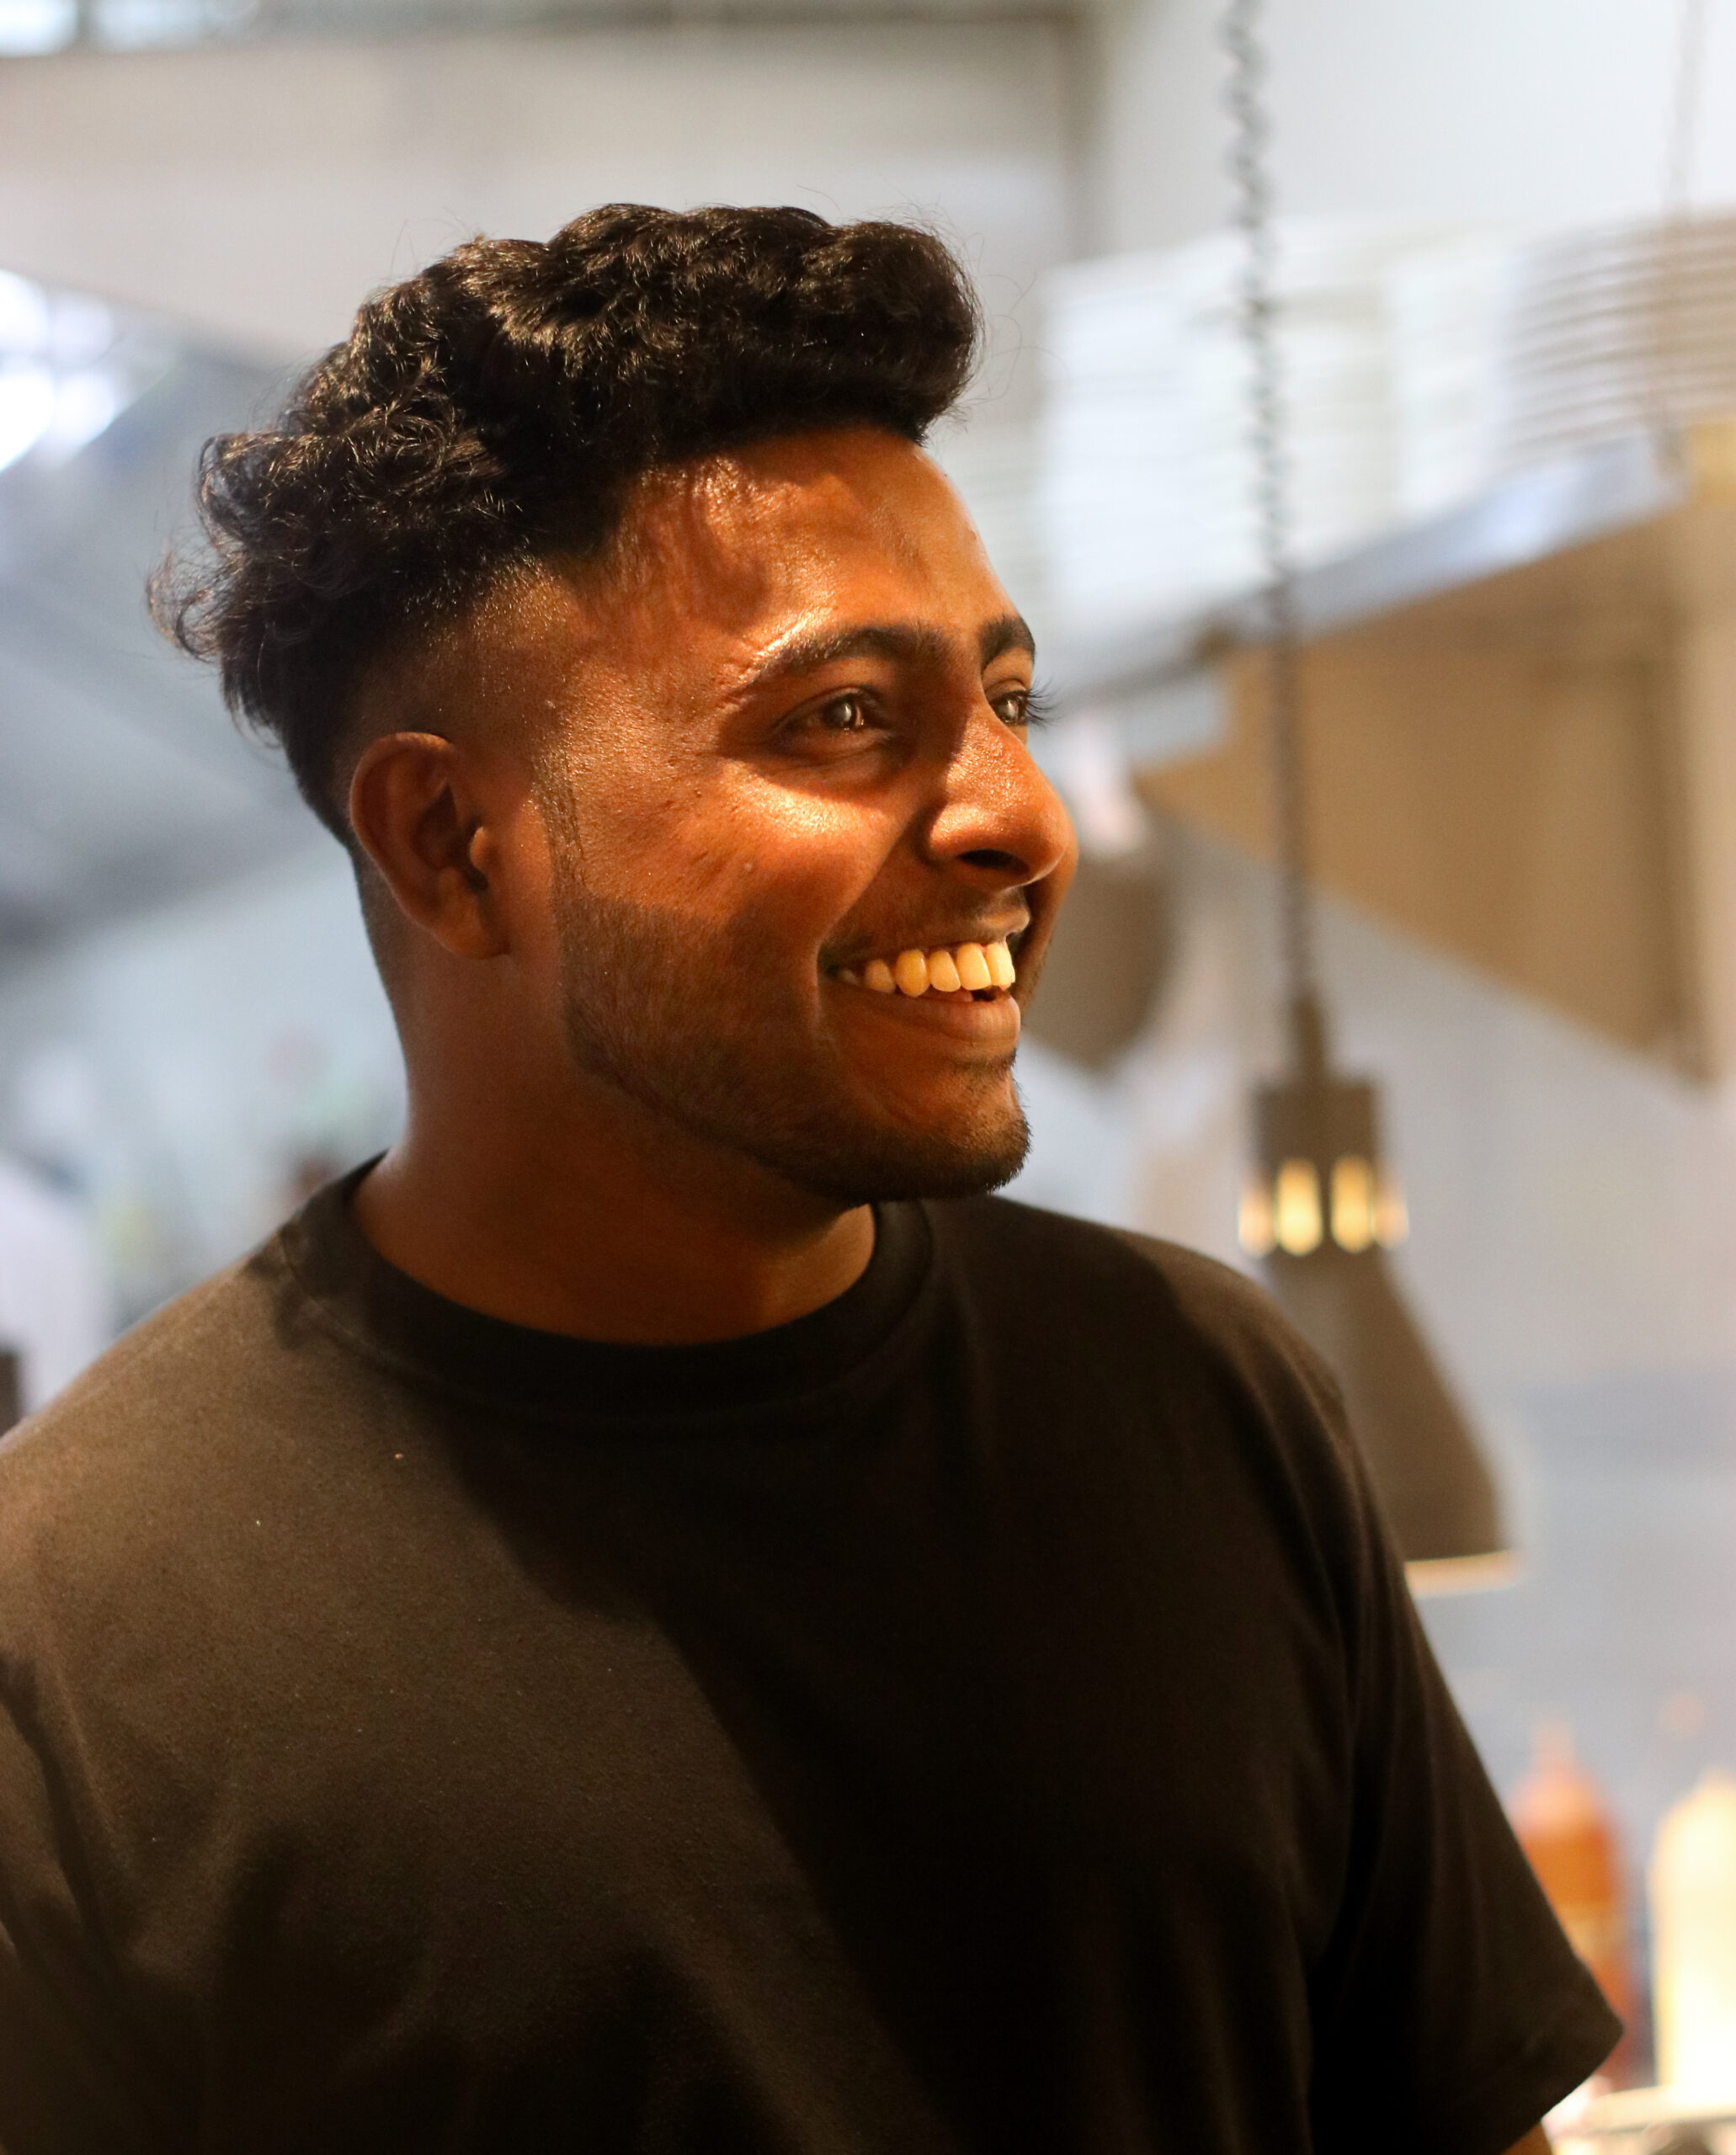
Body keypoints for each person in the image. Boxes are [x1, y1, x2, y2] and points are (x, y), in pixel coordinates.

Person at [0, 205, 1616, 2152]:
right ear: (449, 842)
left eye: (1005, 700)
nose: (1016, 816)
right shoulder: (75, 1633)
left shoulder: (1197, 1398)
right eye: (843, 718)